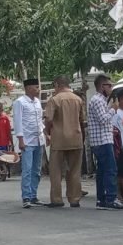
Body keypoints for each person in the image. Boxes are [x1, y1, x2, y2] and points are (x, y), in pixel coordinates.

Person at [44, 76, 86, 208]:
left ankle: (57, 199)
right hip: (76, 138)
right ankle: (74, 199)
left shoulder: (55, 99)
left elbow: (49, 119)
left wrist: (47, 132)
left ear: (57, 85)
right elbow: (82, 120)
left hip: (59, 139)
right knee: (74, 170)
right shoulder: (78, 99)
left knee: (56, 171)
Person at [88, 75, 123, 210]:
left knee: (103, 171)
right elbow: (103, 119)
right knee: (110, 170)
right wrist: (113, 109)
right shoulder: (98, 100)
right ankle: (110, 198)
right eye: (109, 86)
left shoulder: (101, 100)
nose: (111, 88)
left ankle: (102, 200)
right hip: (102, 141)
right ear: (101, 86)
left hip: (102, 139)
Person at [13, 78, 46, 208]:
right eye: (35, 87)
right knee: (27, 169)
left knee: (36, 170)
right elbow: (18, 121)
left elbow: (39, 120)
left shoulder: (37, 102)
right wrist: (20, 139)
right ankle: (26, 196)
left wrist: (45, 134)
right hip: (27, 140)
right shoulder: (19, 102)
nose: (38, 90)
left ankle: (34, 195)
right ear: (27, 89)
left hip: (39, 139)